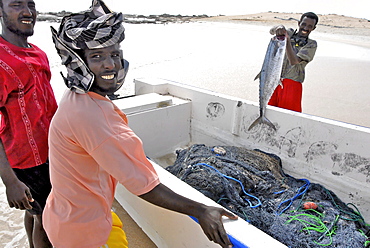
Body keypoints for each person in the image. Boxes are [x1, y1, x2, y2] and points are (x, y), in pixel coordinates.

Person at [42, 0, 238, 247]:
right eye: (97, 56)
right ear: (78, 62)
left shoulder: (75, 97)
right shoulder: (93, 116)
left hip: (66, 213)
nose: (110, 64)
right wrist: (201, 210)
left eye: (114, 54)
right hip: (83, 233)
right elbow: (144, 186)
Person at [0, 0, 57, 247]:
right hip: (26, 161)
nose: (27, 12)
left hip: (52, 152)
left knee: (35, 212)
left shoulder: (38, 52)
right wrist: (10, 181)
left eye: (31, 5)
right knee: (48, 218)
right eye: (16, 5)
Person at [268, 12, 319, 112]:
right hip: (275, 80)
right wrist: (279, 27)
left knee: (289, 117)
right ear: (299, 23)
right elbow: (271, 31)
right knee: (269, 112)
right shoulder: (289, 32)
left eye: (310, 26)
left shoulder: (311, 44)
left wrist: (287, 42)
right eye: (303, 24)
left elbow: (294, 61)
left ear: (313, 28)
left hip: (292, 83)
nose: (305, 28)